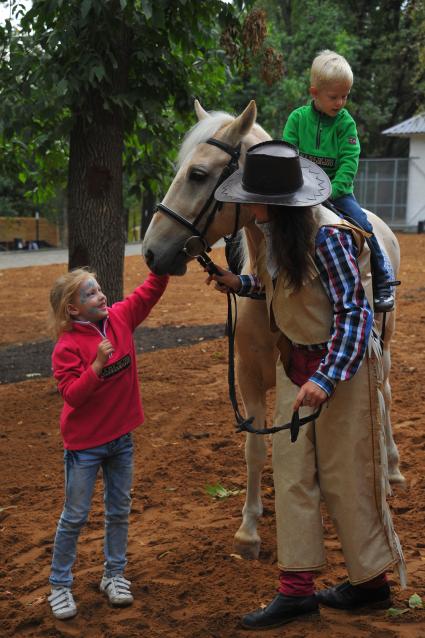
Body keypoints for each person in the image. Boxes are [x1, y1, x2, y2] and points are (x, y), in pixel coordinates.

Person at [208, 140, 405, 631]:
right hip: (297, 369)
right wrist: (242, 284)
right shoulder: (279, 235)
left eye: (254, 199)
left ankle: (371, 585)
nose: (249, 208)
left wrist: (325, 377)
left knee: (347, 479)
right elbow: (290, 290)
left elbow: (355, 315)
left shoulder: (332, 237)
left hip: (342, 373)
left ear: (276, 204)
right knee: (292, 477)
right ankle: (296, 592)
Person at [47, 267, 169, 620]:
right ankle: (59, 585)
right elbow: (73, 396)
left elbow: (149, 291)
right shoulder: (67, 347)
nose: (101, 296)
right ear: (73, 309)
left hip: (121, 440)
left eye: (99, 290)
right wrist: (98, 365)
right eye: (90, 294)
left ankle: (113, 576)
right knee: (75, 516)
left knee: (118, 510)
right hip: (84, 447)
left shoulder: (120, 318)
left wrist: (161, 263)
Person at [282, 49, 394, 312]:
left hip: (337, 193)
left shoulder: (346, 124)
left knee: (363, 224)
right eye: (334, 97)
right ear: (314, 93)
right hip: (301, 191)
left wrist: (334, 190)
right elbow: (288, 154)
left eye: (345, 96)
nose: (340, 103)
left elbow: (349, 161)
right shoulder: (297, 119)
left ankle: (382, 280)